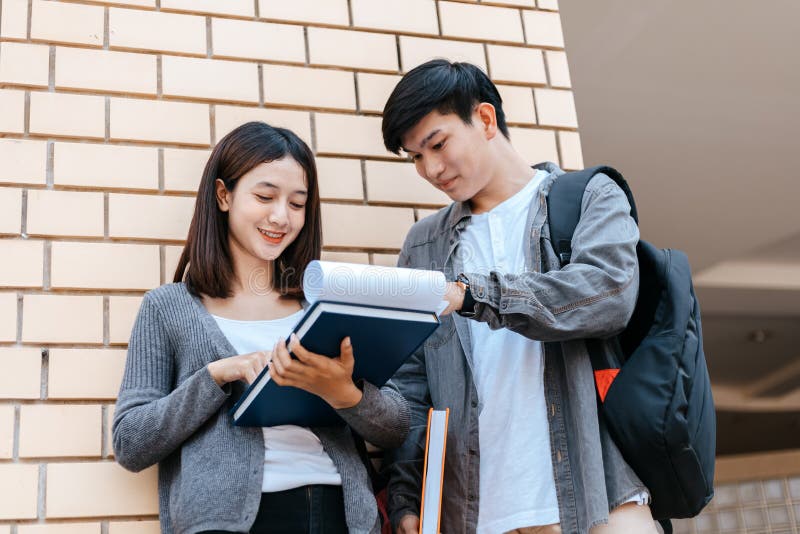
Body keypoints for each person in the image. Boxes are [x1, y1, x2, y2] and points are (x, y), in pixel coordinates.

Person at [381, 60, 659, 534]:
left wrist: (473, 296)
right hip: (481, 514)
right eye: (415, 157)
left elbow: (608, 292)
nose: (430, 169)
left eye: (438, 144)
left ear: (485, 119)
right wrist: (408, 498)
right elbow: (412, 385)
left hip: (599, 500)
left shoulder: (588, 196)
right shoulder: (423, 245)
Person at [112, 121, 409, 534]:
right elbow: (131, 442)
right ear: (223, 195)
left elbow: (396, 426)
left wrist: (343, 391)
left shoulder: (326, 305)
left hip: (339, 514)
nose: (281, 217)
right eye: (265, 196)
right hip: (225, 521)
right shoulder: (168, 308)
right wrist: (219, 373)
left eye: (298, 203)